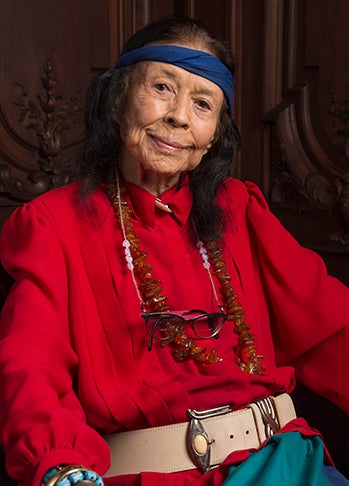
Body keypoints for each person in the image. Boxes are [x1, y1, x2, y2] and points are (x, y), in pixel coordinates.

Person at [0, 14, 348, 486]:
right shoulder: (53, 224)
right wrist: (60, 463)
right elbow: (30, 363)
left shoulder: (239, 210)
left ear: (213, 138)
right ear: (119, 99)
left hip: (287, 463)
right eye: (162, 88)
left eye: (202, 104)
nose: (179, 116)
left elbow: (333, 330)